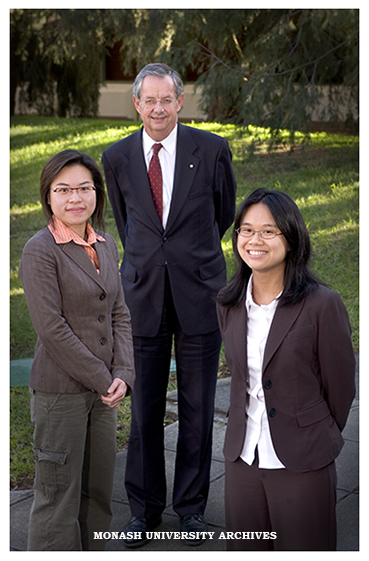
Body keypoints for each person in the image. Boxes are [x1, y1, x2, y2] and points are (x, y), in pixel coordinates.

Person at [101, 62, 237, 547]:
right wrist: (151, 260)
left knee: (199, 407)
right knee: (144, 410)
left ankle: (192, 509)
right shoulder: (115, 157)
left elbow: (224, 211)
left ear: (181, 102)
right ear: (136, 104)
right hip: (141, 298)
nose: (158, 108)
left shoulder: (213, 150)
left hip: (199, 292)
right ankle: (144, 510)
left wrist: (188, 257)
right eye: (149, 100)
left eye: (167, 100)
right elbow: (127, 223)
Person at [216, 187, 356, 551]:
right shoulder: (228, 303)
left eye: (268, 230)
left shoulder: (322, 304)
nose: (254, 240)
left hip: (302, 459)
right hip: (243, 457)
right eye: (246, 230)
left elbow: (340, 388)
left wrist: (314, 432)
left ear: (291, 238)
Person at [19, 149, 135, 551]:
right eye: (63, 189)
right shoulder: (40, 249)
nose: (75, 198)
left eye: (84, 188)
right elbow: (52, 329)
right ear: (48, 196)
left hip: (102, 395)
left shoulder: (105, 245)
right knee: (57, 501)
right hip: (60, 395)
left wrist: (124, 373)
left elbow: (119, 311)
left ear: (97, 194)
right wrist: (105, 379)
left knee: (98, 494)